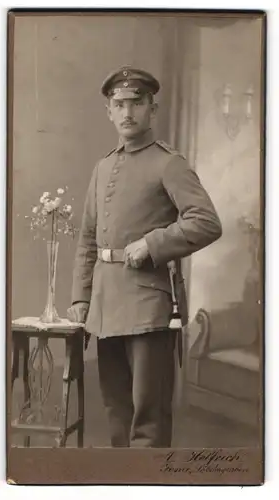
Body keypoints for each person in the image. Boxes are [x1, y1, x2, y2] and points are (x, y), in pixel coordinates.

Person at [67, 66, 222, 448]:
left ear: (152, 108)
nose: (127, 113)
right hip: (105, 307)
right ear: (109, 110)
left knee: (147, 419)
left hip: (148, 307)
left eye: (137, 103)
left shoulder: (168, 163)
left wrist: (152, 244)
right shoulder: (103, 167)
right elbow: (88, 238)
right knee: (116, 414)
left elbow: (206, 221)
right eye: (119, 104)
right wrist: (80, 297)